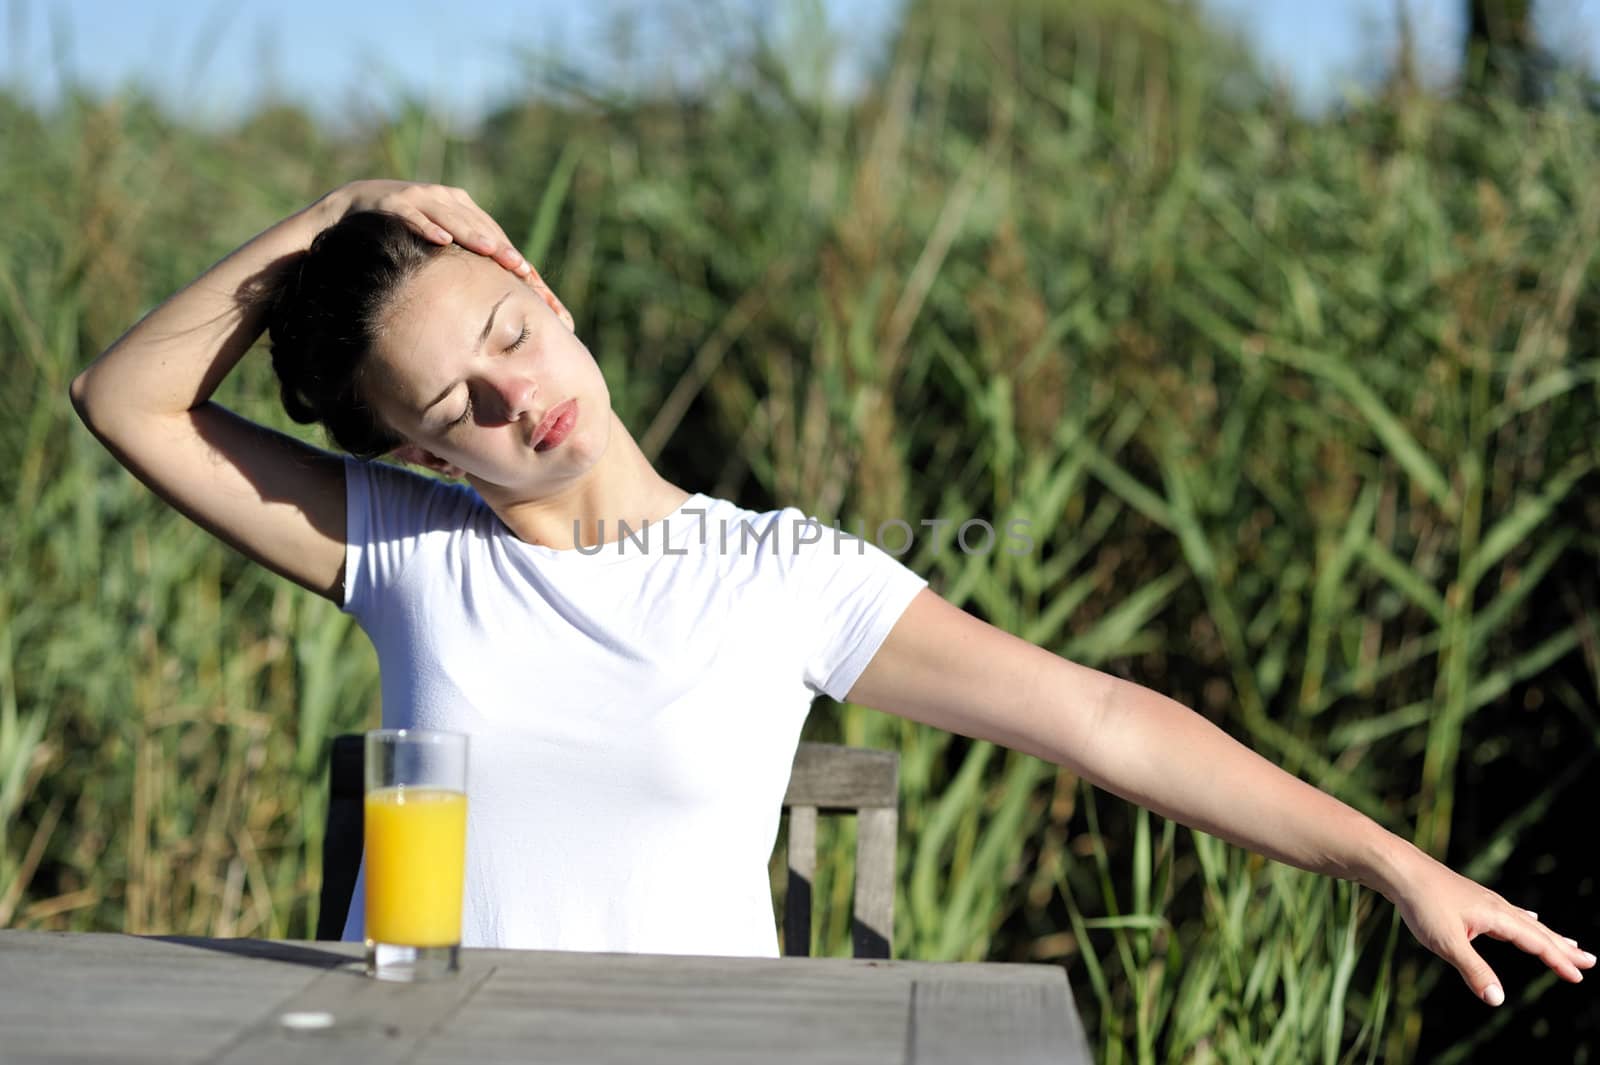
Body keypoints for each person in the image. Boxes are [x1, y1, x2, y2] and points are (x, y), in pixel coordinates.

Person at [69, 179, 1591, 1006]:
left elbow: (1105, 719)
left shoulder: (782, 574)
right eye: (455, 402)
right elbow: (124, 399)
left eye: (508, 335)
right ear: (417, 448)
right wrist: (337, 209)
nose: (512, 397)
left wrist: (1396, 863)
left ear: (548, 293)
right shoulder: (407, 549)